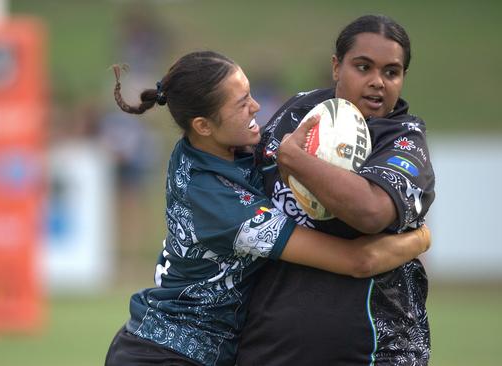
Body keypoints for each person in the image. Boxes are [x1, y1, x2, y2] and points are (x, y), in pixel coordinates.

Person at [104, 50, 431, 366]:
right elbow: (359, 261)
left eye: (250, 94)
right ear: (203, 125)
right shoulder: (225, 208)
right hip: (165, 355)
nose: (256, 107)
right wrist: (420, 238)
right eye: (242, 103)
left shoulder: (211, 149)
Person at [237, 15, 436, 366]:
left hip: (374, 348)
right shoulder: (296, 113)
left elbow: (371, 212)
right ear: (336, 67)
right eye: (363, 67)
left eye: (391, 72)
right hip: (269, 344)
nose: (378, 82)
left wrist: (296, 162)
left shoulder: (403, 140)